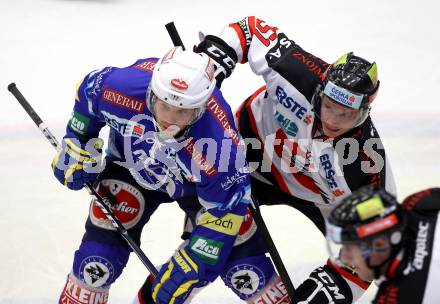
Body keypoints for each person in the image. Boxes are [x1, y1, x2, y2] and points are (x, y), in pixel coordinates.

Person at [187, 16, 397, 303]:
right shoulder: (299, 71)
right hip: (250, 156)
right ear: (320, 89)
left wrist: (327, 290)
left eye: (347, 115)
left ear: (365, 112)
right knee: (206, 233)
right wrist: (216, 57)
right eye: (329, 106)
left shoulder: (365, 165)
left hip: (318, 197)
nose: (333, 120)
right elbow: (248, 29)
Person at [51, 46, 253, 304]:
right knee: (96, 260)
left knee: (238, 265)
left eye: (182, 111)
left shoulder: (220, 145)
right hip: (130, 167)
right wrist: (77, 143)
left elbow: (227, 208)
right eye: (164, 105)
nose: (170, 118)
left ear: (200, 109)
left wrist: (197, 260)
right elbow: (87, 90)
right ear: (152, 92)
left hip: (195, 189)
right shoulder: (119, 87)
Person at [326, 186, 440, 303]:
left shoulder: (393, 299)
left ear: (380, 245)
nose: (344, 259)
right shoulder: (419, 204)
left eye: (349, 248)